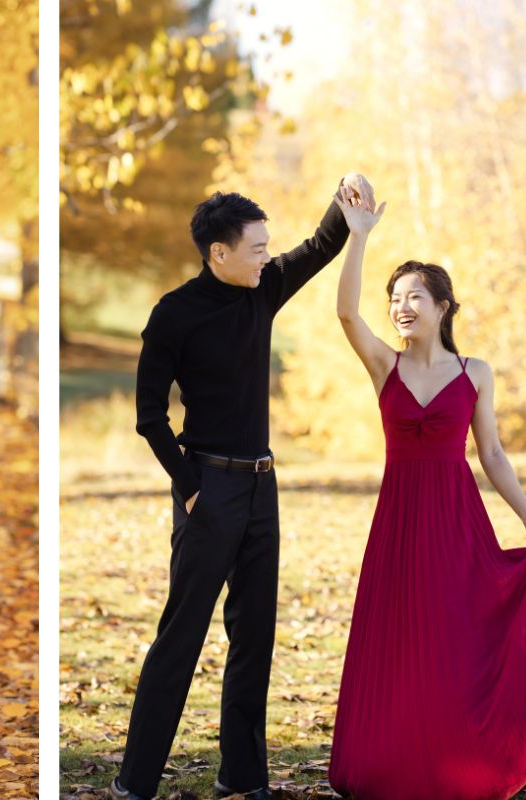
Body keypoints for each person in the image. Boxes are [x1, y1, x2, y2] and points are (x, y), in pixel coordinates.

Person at [326, 193, 526, 798]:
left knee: (459, 635)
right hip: (401, 520)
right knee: (403, 639)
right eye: (395, 300)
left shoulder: (474, 373)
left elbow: (491, 456)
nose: (400, 308)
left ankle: (466, 753)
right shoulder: (385, 365)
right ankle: (399, 757)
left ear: (442, 306)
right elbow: (347, 315)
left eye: (413, 297)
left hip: (458, 518)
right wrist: (357, 235)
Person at [110, 175, 375, 800]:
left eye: (266, 246)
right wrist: (188, 485)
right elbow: (150, 414)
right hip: (210, 491)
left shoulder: (263, 289)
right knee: (181, 637)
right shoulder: (173, 314)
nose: (267, 256)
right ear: (218, 252)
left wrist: (344, 196)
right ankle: (134, 782)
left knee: (254, 635)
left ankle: (243, 777)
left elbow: (318, 245)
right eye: (256, 247)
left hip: (262, 487)